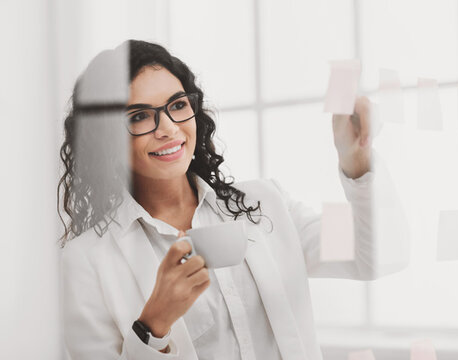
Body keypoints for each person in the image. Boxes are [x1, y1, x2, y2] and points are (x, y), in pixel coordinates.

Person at [59, 40, 404, 359]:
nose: (167, 128)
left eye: (177, 105)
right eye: (139, 116)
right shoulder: (86, 262)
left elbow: (375, 255)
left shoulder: (267, 203)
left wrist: (354, 160)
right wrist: (153, 325)